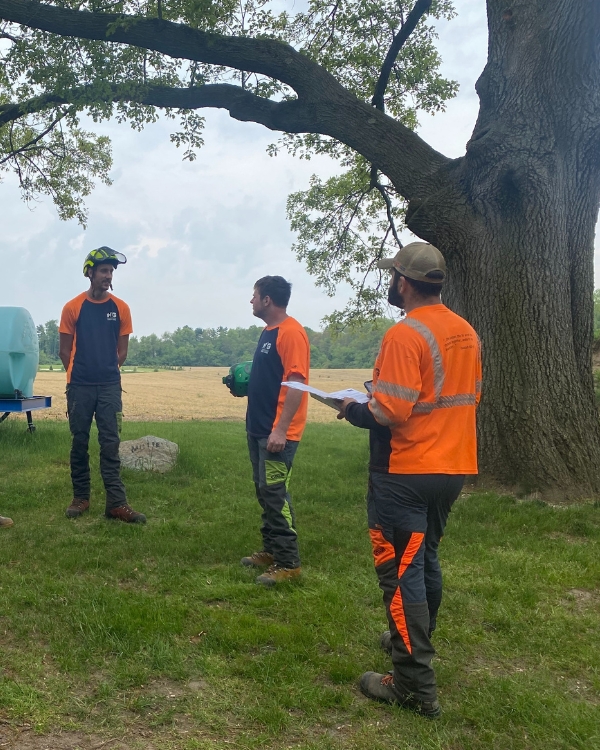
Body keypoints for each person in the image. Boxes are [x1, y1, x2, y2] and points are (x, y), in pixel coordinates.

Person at [337, 242, 481, 718]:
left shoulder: (405, 334)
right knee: (425, 561)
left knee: (400, 575)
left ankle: (413, 685)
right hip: (452, 467)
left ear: (403, 281)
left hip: (405, 470)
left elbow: (390, 411)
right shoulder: (465, 332)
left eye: (392, 277)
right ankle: (410, 642)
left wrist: (352, 409)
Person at [59, 247, 146, 524]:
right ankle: (81, 497)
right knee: (79, 443)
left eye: (110, 272)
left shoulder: (121, 308)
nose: (108, 276)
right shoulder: (72, 307)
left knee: (110, 443)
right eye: (103, 271)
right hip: (79, 387)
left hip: (109, 386)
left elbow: (122, 351)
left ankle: (116, 504)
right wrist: (79, 375)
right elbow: (64, 351)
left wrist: (107, 372)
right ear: (90, 273)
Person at [242, 276, 310, 586]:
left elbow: (297, 383)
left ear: (267, 299)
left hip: (276, 433)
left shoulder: (291, 333)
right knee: (264, 492)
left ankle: (288, 563)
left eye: (254, 296)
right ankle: (270, 550)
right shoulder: (269, 332)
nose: (251, 301)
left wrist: (281, 430)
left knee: (275, 494)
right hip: (258, 428)